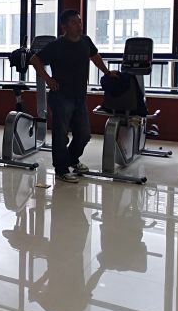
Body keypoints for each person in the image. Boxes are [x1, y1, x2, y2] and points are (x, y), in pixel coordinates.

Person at [30, 9, 116, 183]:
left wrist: (107, 72)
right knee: (61, 135)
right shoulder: (57, 45)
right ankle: (61, 169)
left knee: (84, 134)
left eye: (80, 21)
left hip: (79, 96)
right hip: (61, 97)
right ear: (64, 26)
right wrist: (48, 80)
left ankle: (71, 159)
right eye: (74, 22)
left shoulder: (85, 41)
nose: (79, 25)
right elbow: (35, 60)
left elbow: (95, 56)